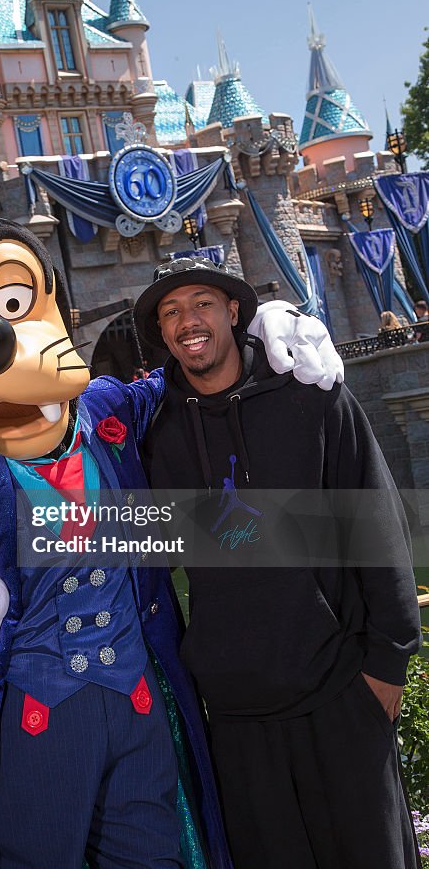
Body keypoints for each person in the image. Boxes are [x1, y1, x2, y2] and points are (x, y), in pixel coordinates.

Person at [0, 219, 342, 869]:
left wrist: (253, 326)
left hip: (138, 709)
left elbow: (178, 378)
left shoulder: (105, 412)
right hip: (35, 723)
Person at [134, 255, 422, 869]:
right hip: (237, 720)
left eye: (204, 303)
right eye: (172, 311)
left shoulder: (312, 396)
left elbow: (375, 520)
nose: (190, 321)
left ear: (234, 311)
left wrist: (388, 664)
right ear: (162, 332)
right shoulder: (155, 433)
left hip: (341, 691)